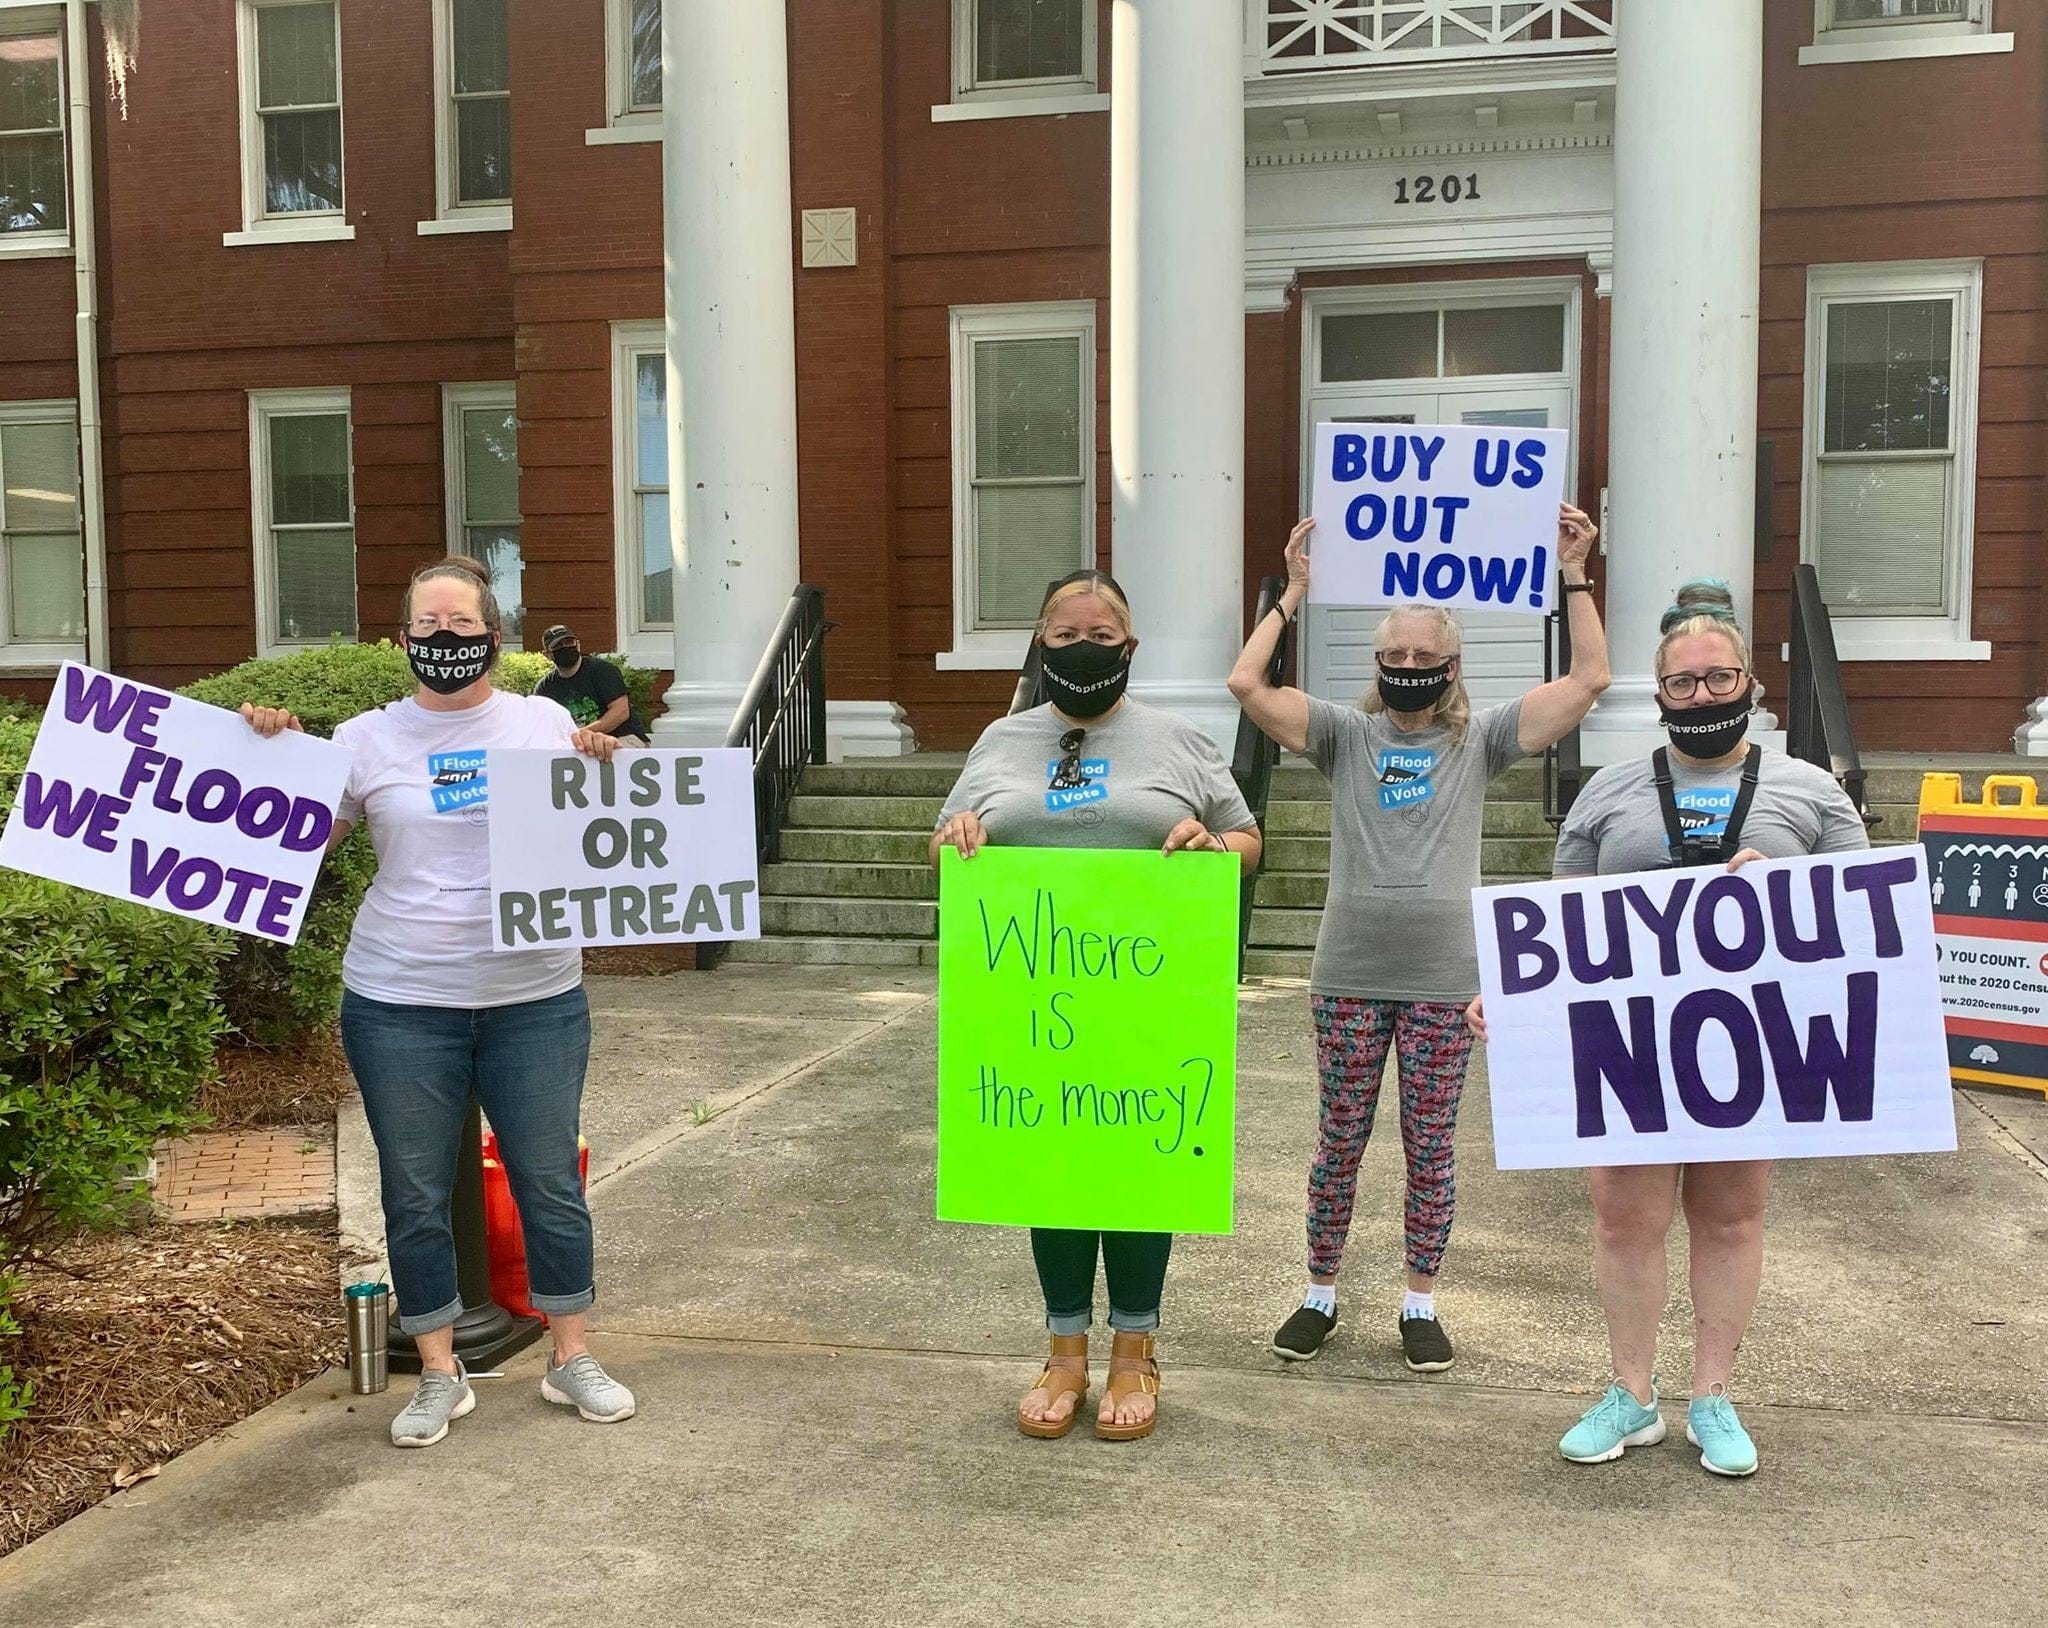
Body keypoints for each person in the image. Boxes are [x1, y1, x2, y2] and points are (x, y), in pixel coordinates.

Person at [1469, 579, 1868, 1478]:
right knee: (1623, 1219)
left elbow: (1864, 929)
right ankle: (1631, 1395)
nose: (1701, 696)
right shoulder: (1608, 794)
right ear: (1658, 695)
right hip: (1631, 1045)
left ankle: (1714, 1396)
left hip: (1755, 1041)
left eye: (1718, 679)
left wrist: (1787, 894)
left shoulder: (1811, 793)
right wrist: (1509, 996)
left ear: (1751, 685)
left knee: (1730, 1217)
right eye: (1682, 684)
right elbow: (1558, 926)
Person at [244, 557, 637, 1448]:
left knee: (547, 1180)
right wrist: (265, 751)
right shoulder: (362, 739)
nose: (446, 640)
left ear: (494, 639)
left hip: (533, 995)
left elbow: (639, 802)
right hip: (398, 998)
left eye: (463, 626)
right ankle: (438, 1370)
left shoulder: (542, 721)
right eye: (429, 626)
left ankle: (569, 1357)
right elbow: (287, 840)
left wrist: (615, 757)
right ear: (402, 639)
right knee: (414, 1191)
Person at [1229, 504, 1607, 1372]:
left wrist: (1574, 573)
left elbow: (1590, 679)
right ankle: (1320, 1292)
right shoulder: (1343, 735)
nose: (1406, 668)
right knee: (1339, 1142)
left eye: (1422, 658)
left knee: (1430, 1148)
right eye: (1392, 656)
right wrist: (1293, 590)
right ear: (1377, 664)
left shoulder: (1479, 740)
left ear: (1450, 667)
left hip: (1445, 980)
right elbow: (1246, 686)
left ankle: (1419, 1302)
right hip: (1350, 974)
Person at [932, 569, 1262, 1442]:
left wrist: (1210, 844)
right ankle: (1065, 1349)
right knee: (1056, 1170)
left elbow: (1247, 838)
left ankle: (1136, 1351)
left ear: (1131, 647)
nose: (1085, 646)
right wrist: (958, 838)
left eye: (1103, 633)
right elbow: (944, 840)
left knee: (1143, 1168)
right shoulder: (1001, 739)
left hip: (1151, 996)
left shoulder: (1180, 741)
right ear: (1041, 644)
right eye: (1066, 632)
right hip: (1035, 1001)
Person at [536, 624, 650, 746]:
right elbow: (543, 727)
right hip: (579, 747)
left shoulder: (601, 670)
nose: (565, 647)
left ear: (578, 645)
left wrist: (578, 736)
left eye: (569, 642)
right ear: (547, 655)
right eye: (558, 645)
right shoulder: (545, 688)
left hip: (624, 739)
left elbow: (621, 712)